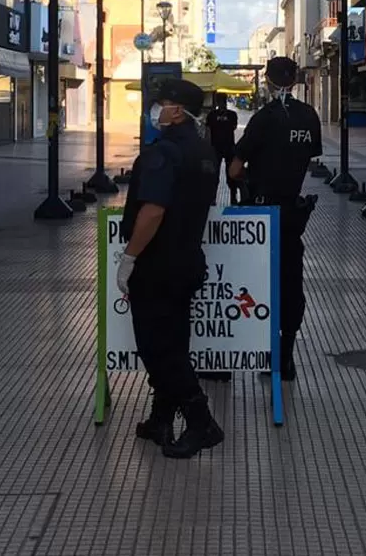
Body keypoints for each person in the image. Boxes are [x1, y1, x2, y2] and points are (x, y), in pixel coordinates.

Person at [116, 78, 223, 459]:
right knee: (174, 341)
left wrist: (129, 258)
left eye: (159, 104)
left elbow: (153, 210)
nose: (154, 110)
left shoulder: (162, 153)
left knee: (158, 348)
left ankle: (201, 422)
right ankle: (161, 417)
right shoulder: (206, 153)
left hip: (157, 265)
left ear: (177, 111)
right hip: (187, 260)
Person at [228, 57, 322, 381]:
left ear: (267, 81)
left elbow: (235, 168)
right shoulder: (309, 116)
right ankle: (286, 356)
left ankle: (257, 350)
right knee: (290, 283)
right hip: (292, 216)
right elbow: (307, 158)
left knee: (256, 285)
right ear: (295, 82)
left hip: (260, 215)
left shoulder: (264, 119)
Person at [204, 93, 241, 204]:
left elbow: (208, 131)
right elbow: (234, 127)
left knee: (215, 174)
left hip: (216, 147)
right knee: (230, 174)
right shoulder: (232, 115)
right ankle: (233, 197)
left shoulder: (211, 115)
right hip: (228, 146)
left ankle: (213, 198)